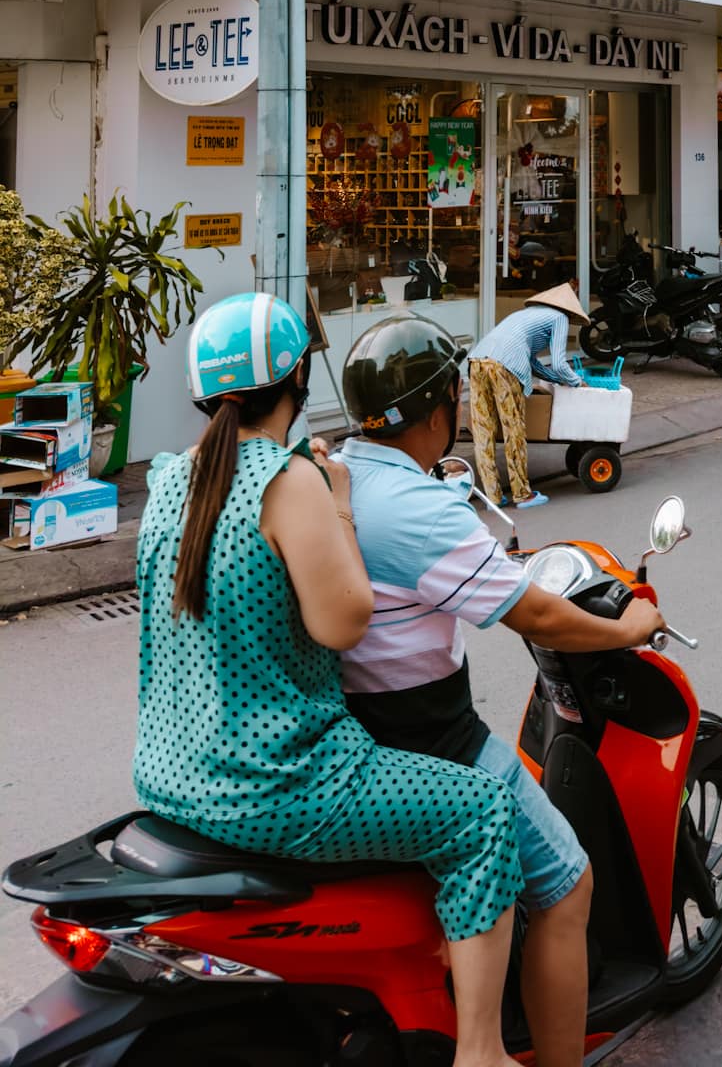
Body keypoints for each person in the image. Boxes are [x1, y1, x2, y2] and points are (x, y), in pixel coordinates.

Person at [133, 294, 530, 1067]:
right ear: (297, 382)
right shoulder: (290, 483)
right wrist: (341, 507)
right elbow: (345, 622)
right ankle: (482, 1053)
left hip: (172, 778)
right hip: (283, 783)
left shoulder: (168, 481)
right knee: (483, 812)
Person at [335, 314, 665, 1067]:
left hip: (347, 730)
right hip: (428, 740)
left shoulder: (335, 475)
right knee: (567, 883)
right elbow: (535, 612)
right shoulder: (420, 510)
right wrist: (626, 630)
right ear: (435, 409)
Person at [468, 284, 589, 510]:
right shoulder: (559, 318)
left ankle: (493, 497)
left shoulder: (525, 315)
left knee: (483, 431)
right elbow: (560, 362)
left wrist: (555, 378)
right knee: (513, 429)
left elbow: (533, 363)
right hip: (506, 367)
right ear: (570, 310)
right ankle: (522, 494)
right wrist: (576, 382)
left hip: (477, 360)